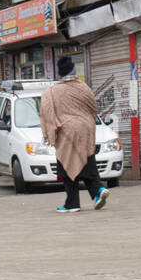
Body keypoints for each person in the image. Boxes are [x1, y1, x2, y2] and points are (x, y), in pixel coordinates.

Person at [40, 55, 109, 214]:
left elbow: (46, 111)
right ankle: (98, 191)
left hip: (67, 131)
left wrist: (49, 131)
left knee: (67, 164)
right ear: (74, 70)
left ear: (60, 73)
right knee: (86, 160)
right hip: (86, 129)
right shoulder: (84, 87)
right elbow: (94, 108)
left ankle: (73, 203)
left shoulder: (52, 91)